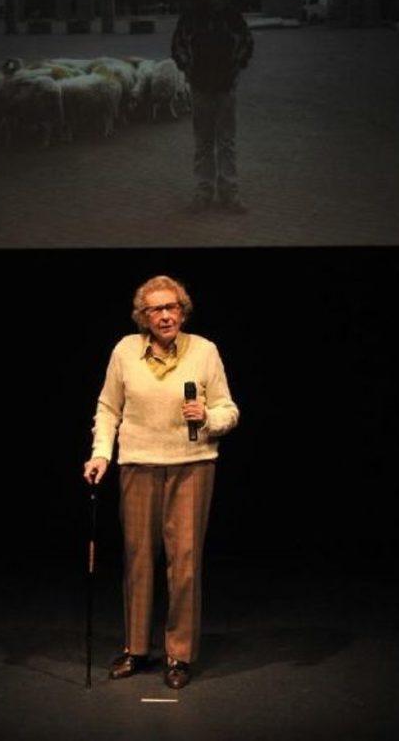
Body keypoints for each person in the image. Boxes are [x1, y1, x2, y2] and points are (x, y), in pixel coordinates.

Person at [83, 275, 239, 689]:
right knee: (137, 559)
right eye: (156, 309)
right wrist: (101, 454)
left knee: (184, 563)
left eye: (173, 307)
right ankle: (136, 649)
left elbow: (228, 409)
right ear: (143, 316)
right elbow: (108, 407)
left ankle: (180, 654)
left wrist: (207, 418)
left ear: (182, 311)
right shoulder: (125, 351)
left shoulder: (204, 351)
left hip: (192, 464)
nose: (166, 315)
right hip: (138, 465)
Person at [171, 0, 254, 213]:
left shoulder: (231, 15)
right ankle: (203, 191)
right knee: (203, 142)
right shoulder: (190, 16)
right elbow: (177, 46)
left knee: (226, 142)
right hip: (200, 88)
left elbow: (247, 43)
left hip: (226, 88)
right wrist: (187, 68)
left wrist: (237, 67)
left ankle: (230, 193)